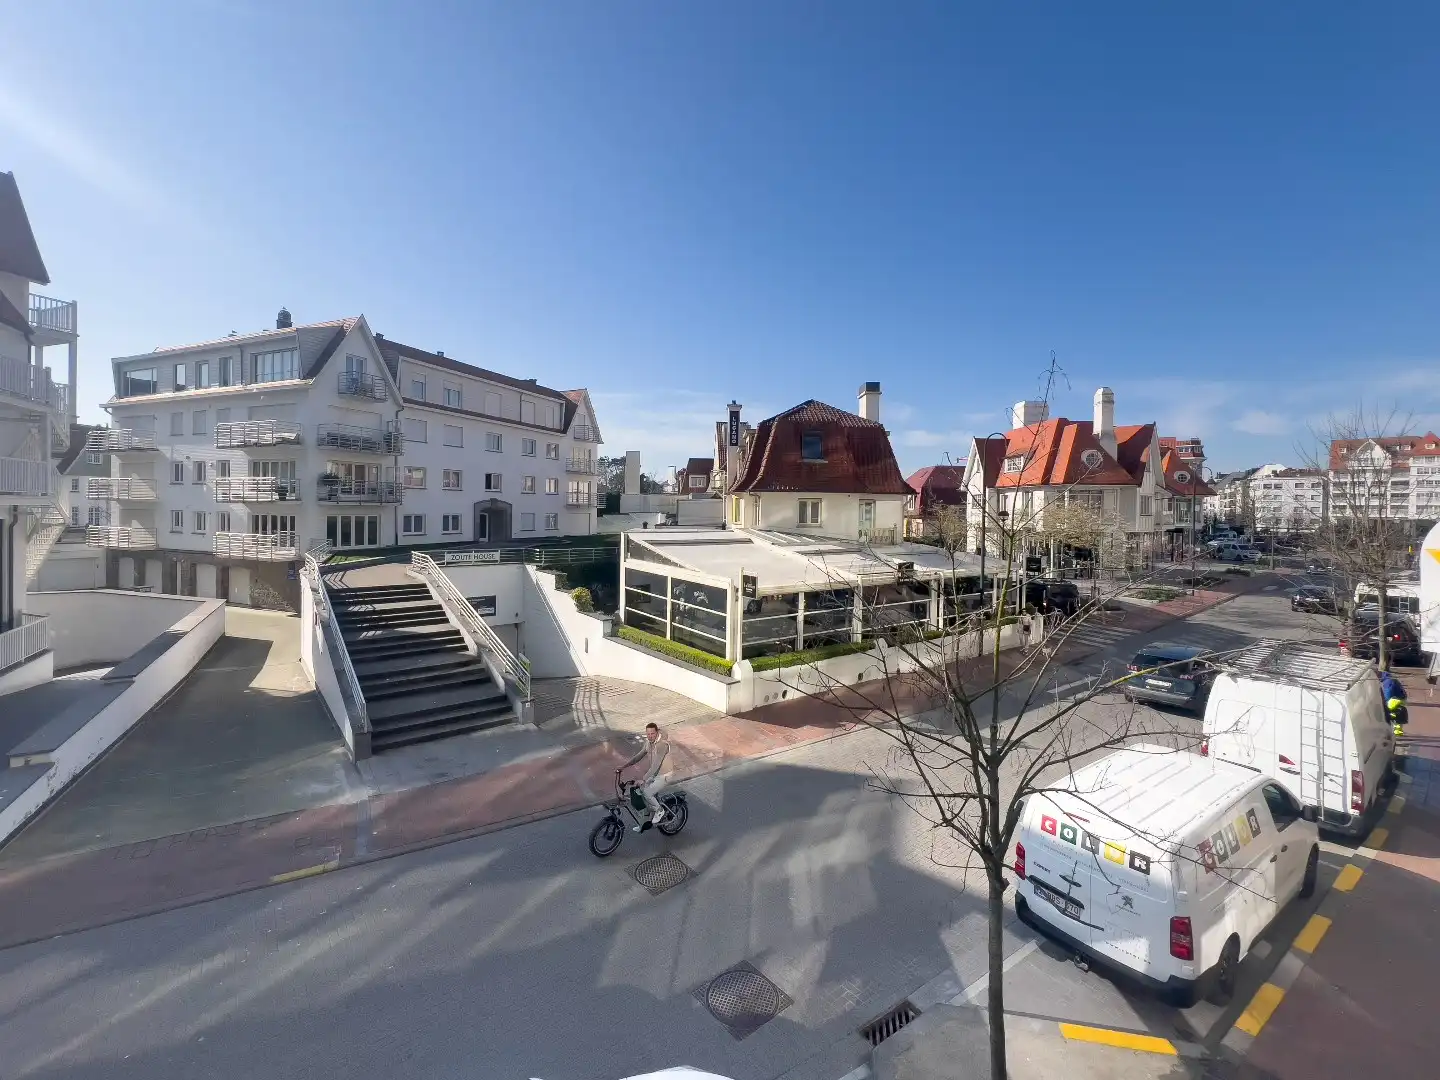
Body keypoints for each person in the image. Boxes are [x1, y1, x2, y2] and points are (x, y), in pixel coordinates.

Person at [619, 722, 670, 831]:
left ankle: (659, 810)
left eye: (652, 733)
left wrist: (644, 779)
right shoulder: (648, 743)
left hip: (664, 774)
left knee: (647, 793)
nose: (650, 736)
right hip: (655, 774)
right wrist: (623, 766)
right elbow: (638, 756)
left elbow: (656, 765)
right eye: (648, 734)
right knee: (639, 794)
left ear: (657, 732)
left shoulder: (662, 745)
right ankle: (644, 823)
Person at [1379, 665, 1408, 735]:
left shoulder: (1388, 682)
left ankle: (1395, 729)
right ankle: (1398, 730)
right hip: (1400, 697)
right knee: (1398, 713)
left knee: (1390, 711)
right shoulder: (1388, 677)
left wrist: (1384, 702)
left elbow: (1388, 693)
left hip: (1397, 698)